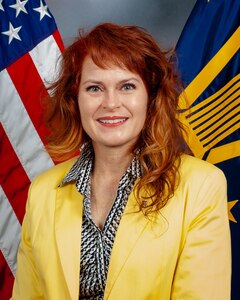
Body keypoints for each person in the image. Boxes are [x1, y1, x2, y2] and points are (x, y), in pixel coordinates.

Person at [11, 23, 231, 300]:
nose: (111, 103)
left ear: (150, 97)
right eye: (94, 88)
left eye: (127, 86)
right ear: (74, 99)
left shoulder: (201, 186)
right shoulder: (42, 192)